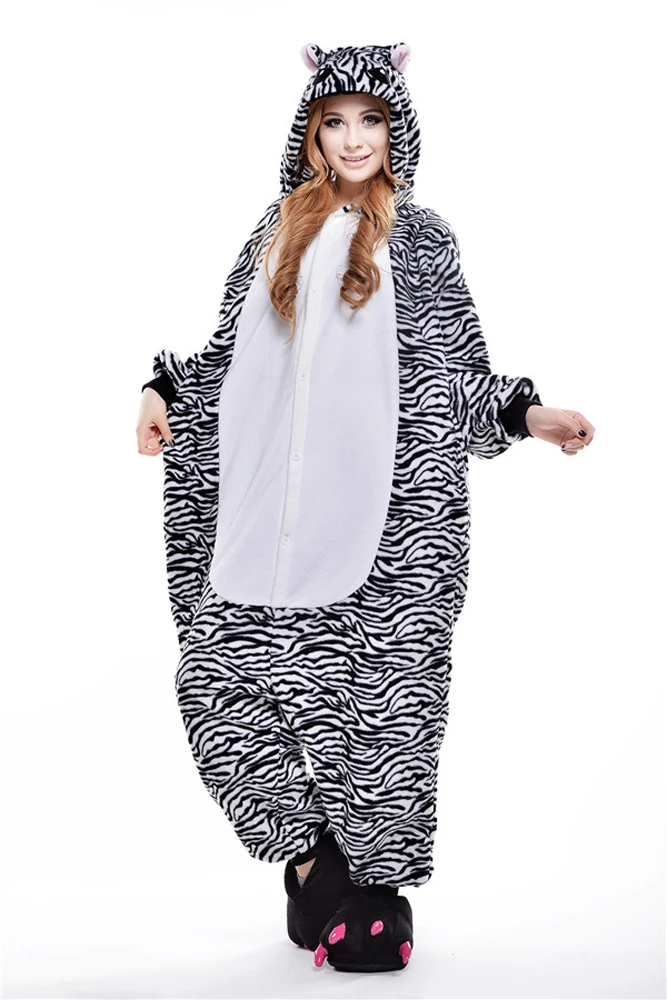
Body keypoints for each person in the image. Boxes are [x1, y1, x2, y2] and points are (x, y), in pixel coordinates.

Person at [135, 42, 595, 973]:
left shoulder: (421, 240)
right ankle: (313, 863)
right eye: (334, 122)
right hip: (266, 509)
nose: (353, 140)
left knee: (380, 708)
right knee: (217, 686)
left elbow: (453, 372)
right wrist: (161, 391)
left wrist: (526, 414)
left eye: (371, 121)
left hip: (385, 521)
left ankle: (376, 889)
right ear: (309, 135)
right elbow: (227, 357)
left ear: (396, 131)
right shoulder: (271, 232)